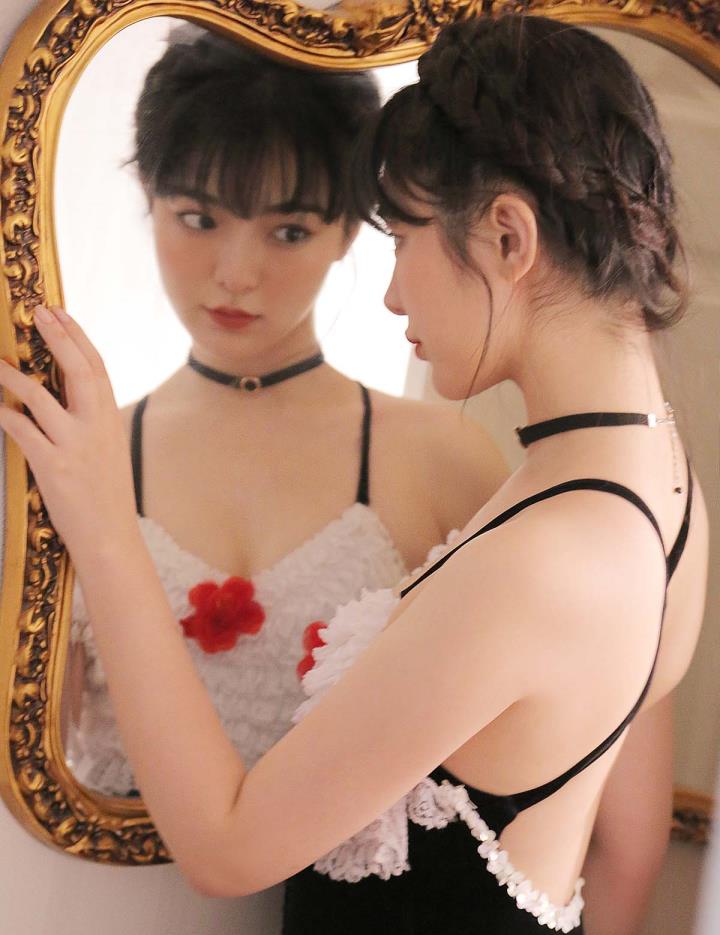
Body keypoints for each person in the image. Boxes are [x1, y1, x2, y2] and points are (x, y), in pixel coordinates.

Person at [0, 13, 707, 935]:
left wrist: (102, 520)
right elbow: (614, 842)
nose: (390, 291)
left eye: (405, 238)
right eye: (196, 215)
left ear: (508, 238)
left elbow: (228, 845)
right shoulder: (660, 486)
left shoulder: (543, 550)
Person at [63, 26, 508, 798]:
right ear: (149, 200)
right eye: (199, 218)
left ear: (349, 230)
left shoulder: (443, 460)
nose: (237, 274)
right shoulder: (80, 459)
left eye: (290, 230)